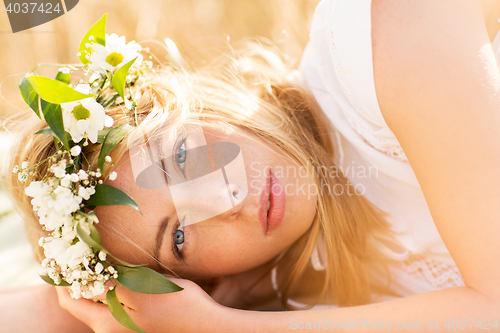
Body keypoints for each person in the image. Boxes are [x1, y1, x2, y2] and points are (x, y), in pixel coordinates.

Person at [4, 0, 500, 331]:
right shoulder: (288, 287)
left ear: (195, 100)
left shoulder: (388, 35)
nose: (226, 200)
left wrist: (219, 327)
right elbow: (44, 315)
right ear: (199, 281)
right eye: (178, 236)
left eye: (179, 155)